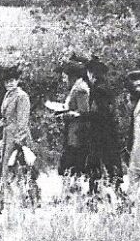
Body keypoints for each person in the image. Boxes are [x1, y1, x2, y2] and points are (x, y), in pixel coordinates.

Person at [0, 64, 39, 211]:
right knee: (6, 168)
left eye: (13, 80)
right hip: (7, 134)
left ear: (18, 80)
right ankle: (3, 200)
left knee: (21, 168)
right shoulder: (8, 95)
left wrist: (18, 142)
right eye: (7, 81)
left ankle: (31, 199)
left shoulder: (22, 96)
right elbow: (5, 118)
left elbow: (22, 121)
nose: (10, 83)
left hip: (17, 136)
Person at [81, 58, 123, 195]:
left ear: (91, 73)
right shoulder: (106, 88)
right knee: (109, 164)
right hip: (108, 133)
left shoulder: (98, 90)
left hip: (101, 134)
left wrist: (81, 115)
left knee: (97, 163)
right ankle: (103, 193)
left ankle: (96, 195)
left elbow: (100, 113)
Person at [57, 60, 90, 188]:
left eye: (65, 77)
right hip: (73, 130)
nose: (64, 80)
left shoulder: (80, 89)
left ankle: (73, 188)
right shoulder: (76, 87)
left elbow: (83, 112)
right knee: (70, 160)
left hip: (77, 132)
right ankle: (71, 188)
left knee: (73, 160)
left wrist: (66, 114)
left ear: (73, 76)